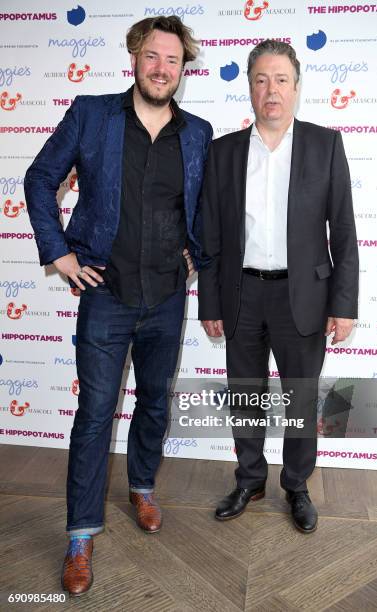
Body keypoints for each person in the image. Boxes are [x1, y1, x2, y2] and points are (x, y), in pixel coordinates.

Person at [25, 16, 212, 596]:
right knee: (95, 415)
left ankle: (143, 487)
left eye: (173, 60)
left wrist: (197, 259)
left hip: (165, 296)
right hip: (103, 293)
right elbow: (39, 179)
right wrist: (58, 253)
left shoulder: (199, 131)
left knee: (154, 402)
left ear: (184, 68)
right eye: (153, 57)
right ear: (135, 57)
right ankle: (79, 536)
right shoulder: (92, 113)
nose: (162, 69)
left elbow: (203, 208)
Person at [198, 40, 358, 534]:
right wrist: (209, 300)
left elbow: (344, 231)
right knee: (245, 395)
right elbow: (210, 234)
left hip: (304, 298)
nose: (272, 91)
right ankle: (249, 479)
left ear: (296, 86)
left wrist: (344, 304)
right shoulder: (222, 152)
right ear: (249, 87)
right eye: (262, 80)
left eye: (281, 80)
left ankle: (296, 484)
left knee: (301, 400)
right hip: (240, 295)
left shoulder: (325, 144)